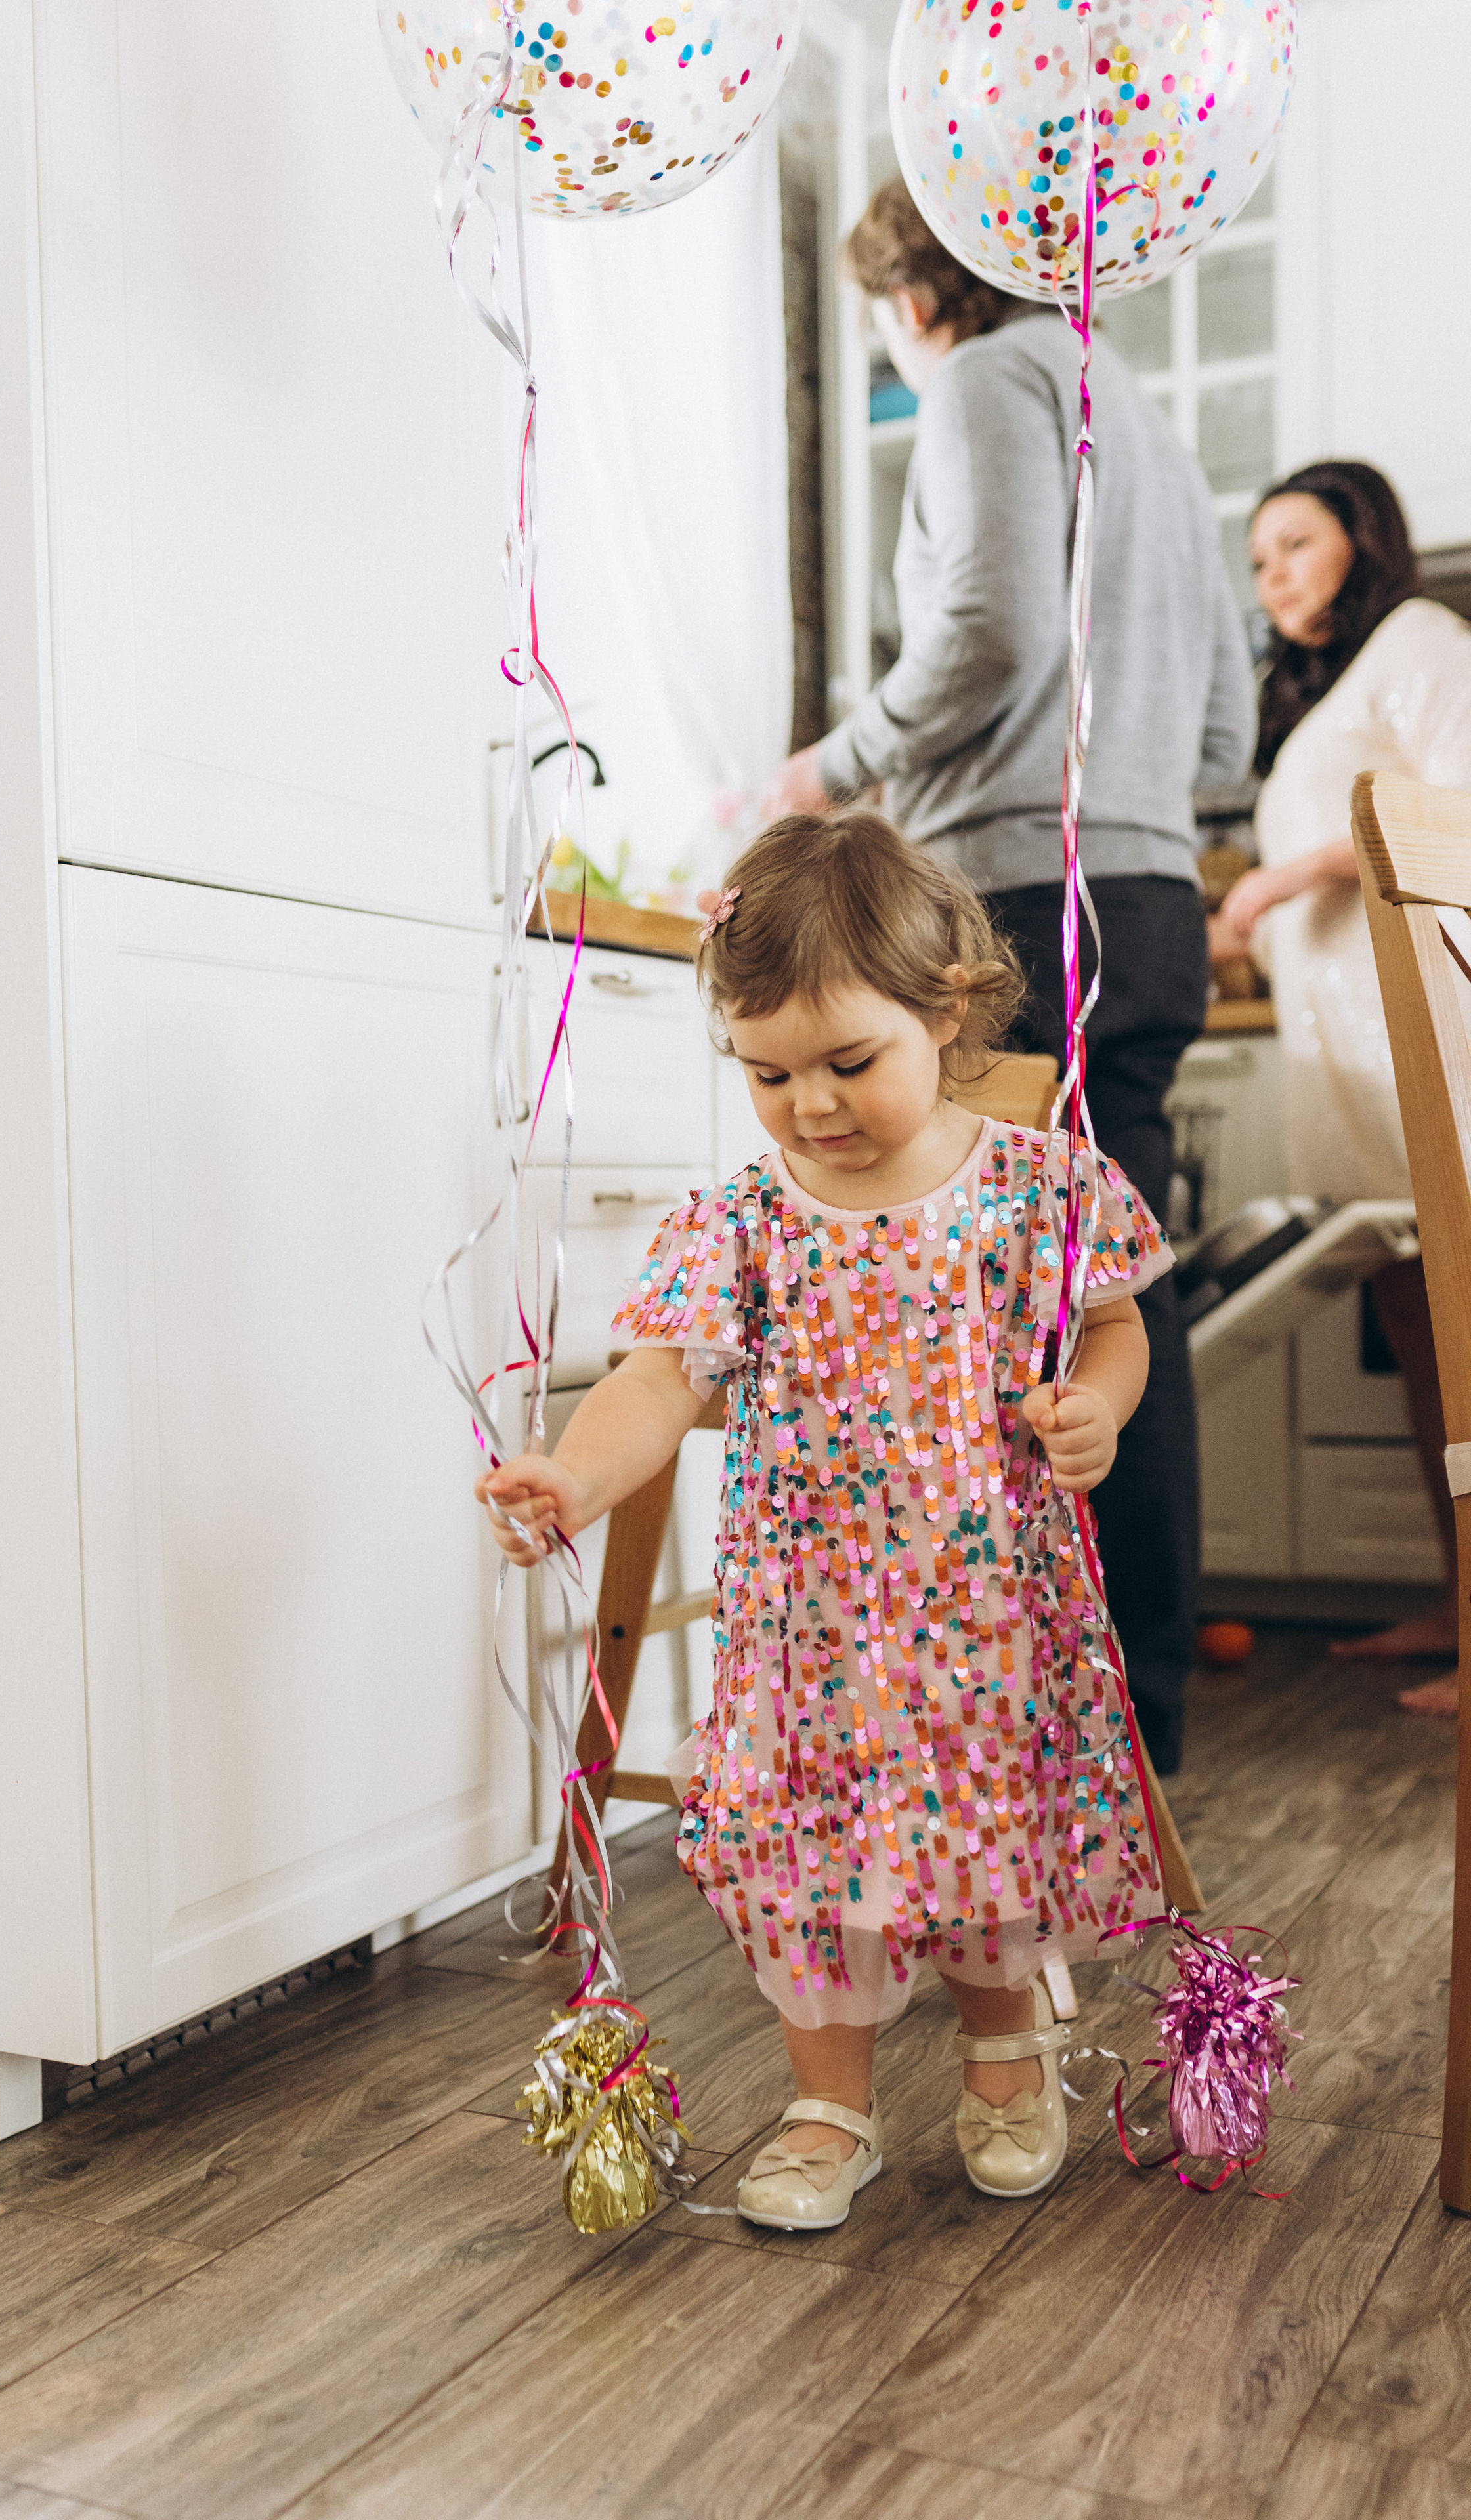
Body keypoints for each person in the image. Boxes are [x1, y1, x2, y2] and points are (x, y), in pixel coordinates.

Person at [477, 812, 1168, 2230]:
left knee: (983, 1846)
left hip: (984, 1622)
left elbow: (1110, 1328)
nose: (808, 1105)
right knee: (808, 1863)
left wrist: (1095, 1405)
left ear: (948, 1010)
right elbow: (658, 1381)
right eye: (767, 1072)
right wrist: (573, 1477)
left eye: (848, 1063)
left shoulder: (1037, 1187)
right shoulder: (742, 1220)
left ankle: (1001, 2063)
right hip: (810, 1637)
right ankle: (826, 2105)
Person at [765, 180, 1254, 1778]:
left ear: (915, 293)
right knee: (1118, 1288)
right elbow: (1224, 728)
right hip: (1148, 888)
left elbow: (981, 630)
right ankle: (1133, 1710)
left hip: (1021, 890)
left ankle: (1019, 1713)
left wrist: (827, 772)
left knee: (989, 1287)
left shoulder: (988, 377)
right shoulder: (1148, 418)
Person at [1212, 461, 1471, 1717]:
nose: (1273, 577)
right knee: (1422, 1330)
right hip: (1346, 1057)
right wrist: (1248, 922)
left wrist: (1275, 882)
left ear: (1362, 539)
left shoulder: (1423, 638)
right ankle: (1456, 1593)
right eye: (1258, 559)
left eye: (1296, 545)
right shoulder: (1319, 700)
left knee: (1470, 1331)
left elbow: (1458, 804)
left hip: (1428, 1030)